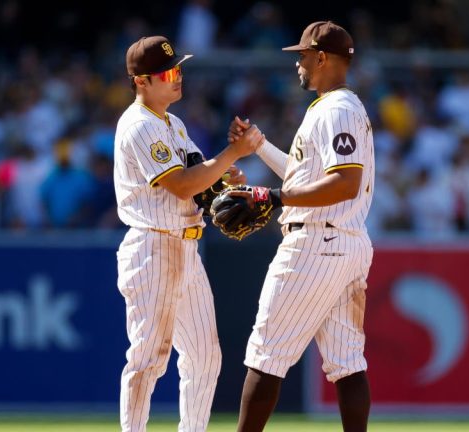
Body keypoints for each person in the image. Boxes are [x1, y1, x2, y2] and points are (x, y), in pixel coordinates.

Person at [228, 21, 375, 431]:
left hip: (317, 244)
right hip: (343, 244)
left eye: (303, 55)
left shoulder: (337, 108)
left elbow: (345, 183)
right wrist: (259, 146)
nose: (298, 63)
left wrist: (274, 198)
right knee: (347, 362)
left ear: (322, 57)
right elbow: (304, 175)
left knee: (266, 354)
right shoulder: (338, 106)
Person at [114, 35, 264, 432]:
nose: (176, 77)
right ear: (141, 81)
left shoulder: (173, 124)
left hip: (186, 248)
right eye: (166, 73)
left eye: (178, 69)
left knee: (204, 355)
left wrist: (226, 177)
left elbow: (202, 182)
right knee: (149, 357)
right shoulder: (139, 126)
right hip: (153, 246)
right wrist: (231, 155)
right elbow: (181, 185)